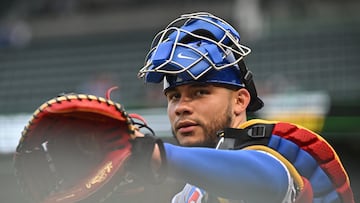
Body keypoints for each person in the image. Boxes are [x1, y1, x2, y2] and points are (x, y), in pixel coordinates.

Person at [135, 12, 354, 203]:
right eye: (174, 96)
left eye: (199, 93)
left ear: (240, 101)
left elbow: (261, 176)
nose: (181, 107)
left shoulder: (271, 160)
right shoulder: (187, 195)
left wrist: (156, 154)